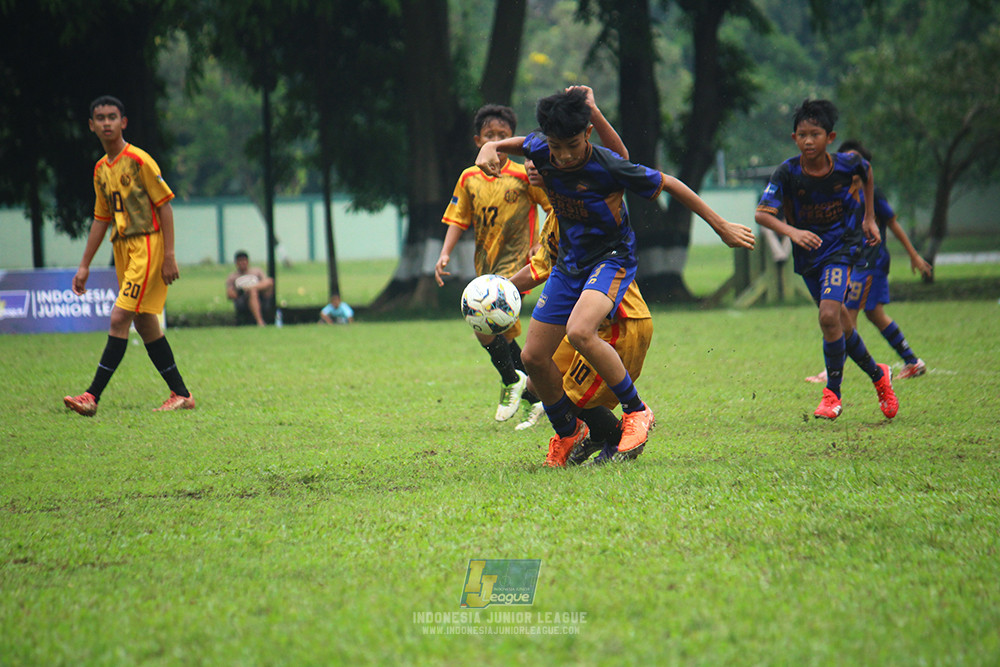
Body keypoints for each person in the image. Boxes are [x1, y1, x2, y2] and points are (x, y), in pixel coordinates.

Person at [476, 87, 755, 464]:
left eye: (572, 144)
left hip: (610, 258)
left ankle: (637, 411)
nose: (564, 155)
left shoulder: (607, 166)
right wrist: (490, 148)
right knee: (533, 356)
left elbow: (668, 182)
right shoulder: (544, 150)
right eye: (556, 147)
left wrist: (720, 226)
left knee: (579, 331)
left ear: (587, 134)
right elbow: (525, 142)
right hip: (569, 264)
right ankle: (568, 432)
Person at [755, 99, 899, 420]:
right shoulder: (788, 173)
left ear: (830, 137)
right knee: (840, 325)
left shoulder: (848, 163)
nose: (808, 141)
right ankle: (879, 375)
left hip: (842, 247)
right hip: (809, 255)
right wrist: (792, 232)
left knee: (827, 315)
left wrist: (870, 218)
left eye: (815, 134)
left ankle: (832, 394)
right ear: (794, 138)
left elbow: (867, 170)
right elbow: (762, 214)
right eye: (802, 135)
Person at [509, 154, 653, 467]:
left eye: (541, 159)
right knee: (537, 380)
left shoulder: (586, 207)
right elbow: (542, 266)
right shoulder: (558, 214)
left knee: (566, 396)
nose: (532, 165)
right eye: (529, 159)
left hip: (620, 322)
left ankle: (619, 434)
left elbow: (622, 159)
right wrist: (501, 289)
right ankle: (590, 436)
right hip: (582, 324)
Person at [63, 95, 194, 416]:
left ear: (123, 122)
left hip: (147, 245)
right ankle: (181, 394)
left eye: (112, 116)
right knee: (146, 323)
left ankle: (91, 396)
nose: (106, 122)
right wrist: (84, 265)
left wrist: (170, 255)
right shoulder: (100, 169)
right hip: (122, 248)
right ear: (91, 125)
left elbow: (164, 206)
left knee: (119, 317)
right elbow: (100, 218)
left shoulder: (139, 160)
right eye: (100, 117)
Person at [435, 104, 550, 425]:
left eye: (503, 136)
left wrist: (541, 241)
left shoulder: (524, 174)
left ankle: (515, 382)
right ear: (478, 140)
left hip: (519, 265)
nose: (497, 141)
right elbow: (458, 219)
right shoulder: (469, 178)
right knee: (495, 331)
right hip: (485, 265)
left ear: (511, 139)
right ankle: (533, 391)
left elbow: (549, 206)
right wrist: (445, 253)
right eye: (490, 135)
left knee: (487, 324)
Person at [805, 139, 932, 384]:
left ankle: (831, 372)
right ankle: (912, 361)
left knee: (846, 317)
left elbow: (892, 222)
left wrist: (914, 255)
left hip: (869, 265)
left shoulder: (870, 194)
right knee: (874, 314)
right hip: (854, 263)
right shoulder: (839, 195)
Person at [225, 250, 274, 326]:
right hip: (243, 298)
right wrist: (242, 291)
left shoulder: (257, 271)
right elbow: (230, 294)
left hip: (260, 294)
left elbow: (267, 282)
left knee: (268, 282)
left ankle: (252, 289)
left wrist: (252, 288)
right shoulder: (232, 277)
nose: (242, 263)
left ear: (248, 261)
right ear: (236, 263)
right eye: (240, 261)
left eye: (244, 260)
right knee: (252, 292)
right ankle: (260, 322)